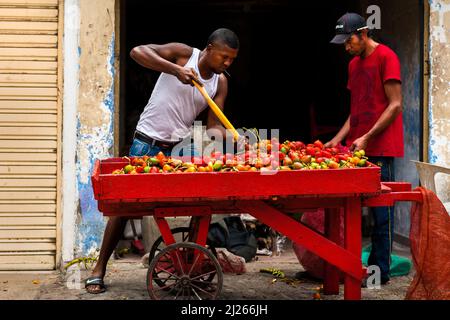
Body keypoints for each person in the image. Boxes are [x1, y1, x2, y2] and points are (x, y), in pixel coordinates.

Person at [85, 28, 240, 294]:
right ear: (209, 48)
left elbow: (213, 126)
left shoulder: (220, 82)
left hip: (180, 147)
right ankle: (99, 268)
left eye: (232, 60)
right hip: (147, 142)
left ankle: (189, 265)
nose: (227, 64)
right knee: (123, 207)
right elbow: (137, 52)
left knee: (201, 201)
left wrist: (234, 137)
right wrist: (174, 70)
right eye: (224, 57)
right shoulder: (183, 56)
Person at [326, 13, 404, 285]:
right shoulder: (352, 66)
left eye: (349, 41)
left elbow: (395, 105)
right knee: (357, 211)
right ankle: (356, 265)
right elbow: (355, 111)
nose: (346, 48)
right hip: (357, 148)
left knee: (382, 213)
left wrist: (368, 137)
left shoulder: (387, 57)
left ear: (363, 33)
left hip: (381, 147)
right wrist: (337, 140)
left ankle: (381, 271)